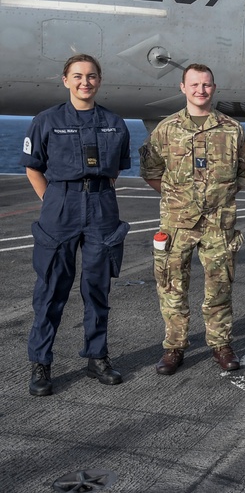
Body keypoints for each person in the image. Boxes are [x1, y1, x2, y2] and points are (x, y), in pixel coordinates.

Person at [22, 54, 132, 396]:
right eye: (78, 76)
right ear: (65, 80)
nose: (86, 82)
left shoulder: (115, 122)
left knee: (97, 287)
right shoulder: (47, 120)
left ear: (100, 80)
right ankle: (41, 363)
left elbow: (115, 169)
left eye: (92, 76)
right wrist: (53, 202)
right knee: (52, 287)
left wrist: (92, 195)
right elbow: (33, 167)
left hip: (101, 205)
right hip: (60, 206)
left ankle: (97, 357)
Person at [140, 64, 245, 375]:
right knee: (172, 288)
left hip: (219, 225)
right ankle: (174, 348)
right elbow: (151, 171)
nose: (200, 90)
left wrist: (218, 198)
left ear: (214, 88)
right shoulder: (165, 130)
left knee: (219, 288)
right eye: (194, 84)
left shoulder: (232, 129)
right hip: (177, 225)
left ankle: (220, 344)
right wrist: (175, 198)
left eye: (206, 85)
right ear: (183, 87)